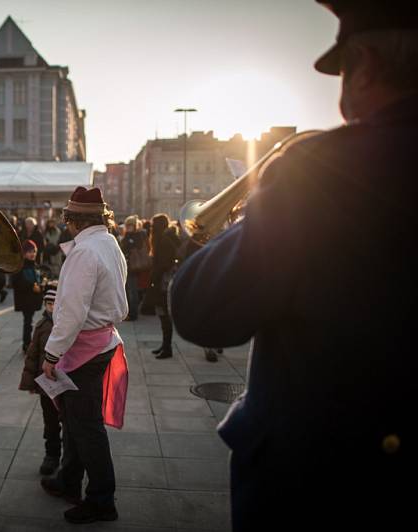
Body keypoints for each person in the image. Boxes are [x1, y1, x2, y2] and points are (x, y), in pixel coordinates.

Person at [170, 2, 416, 530]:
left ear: (367, 64)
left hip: (322, 483)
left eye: (344, 71)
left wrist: (260, 206)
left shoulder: (322, 167)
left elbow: (198, 308)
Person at [39, 186, 129, 525]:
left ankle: (102, 499)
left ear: (72, 220)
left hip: (84, 349)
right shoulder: (108, 243)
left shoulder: (84, 251)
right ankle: (68, 479)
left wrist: (51, 353)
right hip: (100, 343)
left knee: (85, 426)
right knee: (75, 421)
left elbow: (73, 312)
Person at [19, 285, 62, 476]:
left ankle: (68, 456)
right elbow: (32, 355)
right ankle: (51, 455)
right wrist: (30, 383)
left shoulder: (67, 325)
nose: (51, 307)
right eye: (48, 303)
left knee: (68, 422)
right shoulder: (41, 326)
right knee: (50, 422)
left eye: (54, 303)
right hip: (46, 386)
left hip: (64, 384)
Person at [149, 214, 181, 359]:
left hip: (162, 283)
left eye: (153, 224)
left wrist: (153, 279)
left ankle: (167, 348)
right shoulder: (164, 239)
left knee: (164, 316)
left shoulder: (163, 241)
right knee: (162, 315)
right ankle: (164, 345)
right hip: (162, 281)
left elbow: (163, 264)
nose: (151, 227)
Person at [12, 240, 45, 352]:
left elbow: (38, 277)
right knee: (28, 322)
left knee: (29, 322)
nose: (33, 254)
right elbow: (16, 281)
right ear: (24, 253)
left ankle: (28, 343)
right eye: (30, 252)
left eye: (34, 251)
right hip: (26, 299)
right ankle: (26, 345)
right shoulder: (20, 265)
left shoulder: (35, 264)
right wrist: (31, 286)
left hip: (32, 299)